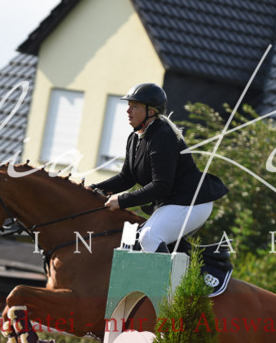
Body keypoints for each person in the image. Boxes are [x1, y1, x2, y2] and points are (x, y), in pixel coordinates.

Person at [92, 83, 228, 252]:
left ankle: (167, 279)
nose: (128, 111)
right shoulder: (135, 138)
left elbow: (161, 186)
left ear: (151, 111)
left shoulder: (162, 135)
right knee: (133, 241)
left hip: (191, 202)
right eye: (129, 106)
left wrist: (122, 200)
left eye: (134, 106)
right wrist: (93, 189)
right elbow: (126, 177)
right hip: (174, 202)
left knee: (149, 237)